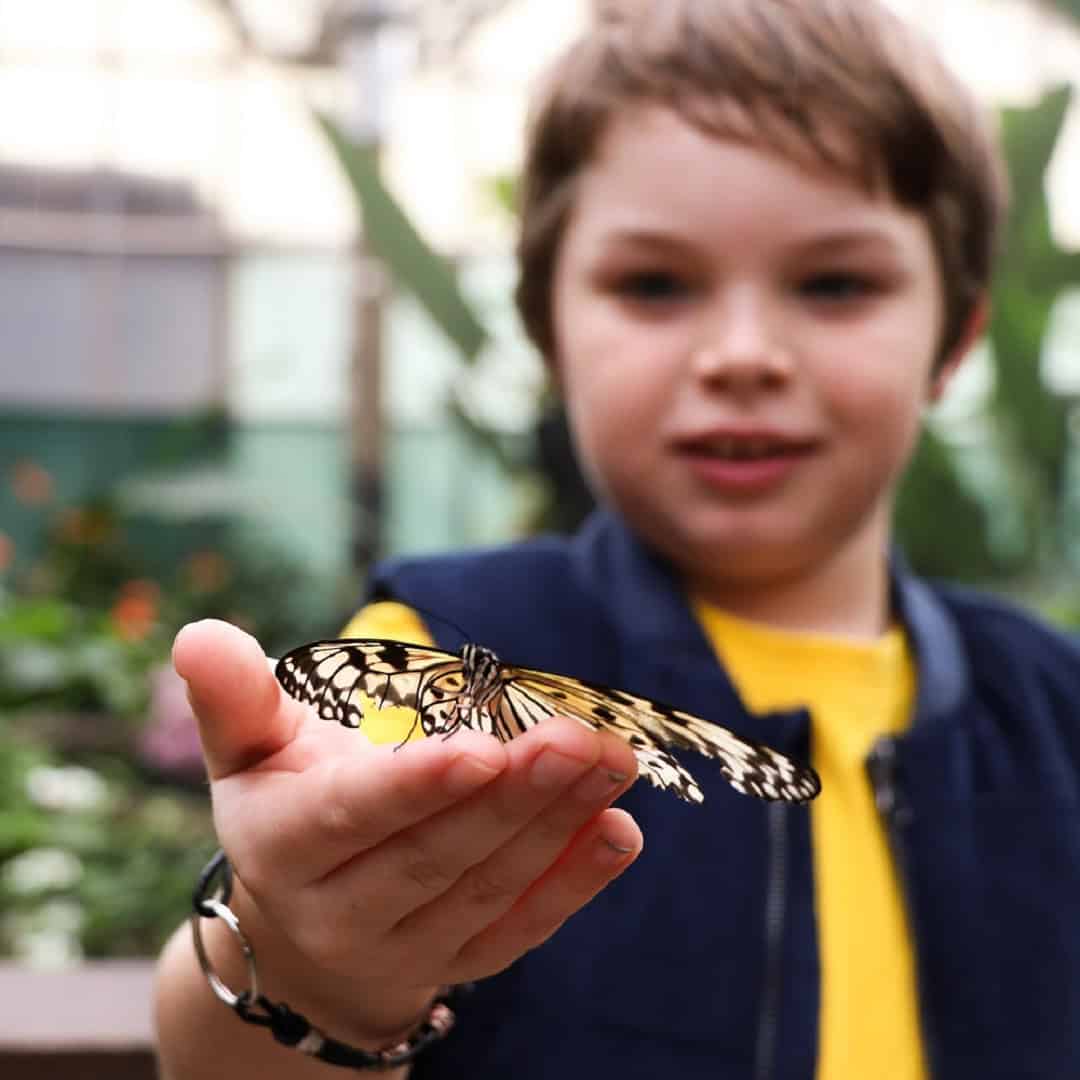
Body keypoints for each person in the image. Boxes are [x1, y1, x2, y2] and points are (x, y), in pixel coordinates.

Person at [154, 1, 1080, 1077]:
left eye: (836, 284)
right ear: (550, 325)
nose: (743, 354)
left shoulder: (1055, 710)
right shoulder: (442, 655)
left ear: (954, 337)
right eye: (655, 285)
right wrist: (321, 964)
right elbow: (216, 1041)